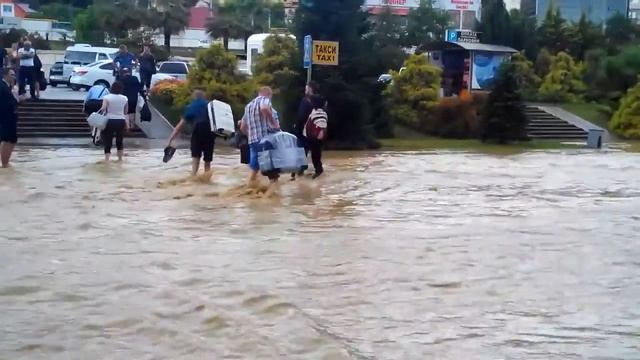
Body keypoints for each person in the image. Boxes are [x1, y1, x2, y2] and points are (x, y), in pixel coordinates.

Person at [166, 89, 215, 176]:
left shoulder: (191, 107)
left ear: (194, 97)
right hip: (210, 133)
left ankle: (193, 178)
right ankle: (207, 180)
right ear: (204, 97)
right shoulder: (210, 105)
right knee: (207, 161)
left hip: (197, 132)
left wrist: (170, 140)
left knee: (196, 159)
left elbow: (179, 127)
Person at [240, 86, 280, 183]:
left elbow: (242, 127)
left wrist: (250, 136)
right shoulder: (264, 99)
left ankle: (249, 186)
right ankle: (273, 192)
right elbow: (265, 108)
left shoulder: (248, 106)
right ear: (269, 94)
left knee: (255, 167)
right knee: (272, 170)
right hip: (264, 140)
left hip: (253, 141)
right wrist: (274, 123)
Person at [291, 81, 319, 180]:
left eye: (306, 88)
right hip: (315, 131)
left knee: (300, 152)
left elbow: (301, 116)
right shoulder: (318, 101)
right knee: (312, 152)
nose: (305, 89)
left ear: (310, 89)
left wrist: (297, 127)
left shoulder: (305, 101)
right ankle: (316, 172)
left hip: (303, 131)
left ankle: (297, 174)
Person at [99, 81, 128, 162]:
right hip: (121, 120)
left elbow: (103, 109)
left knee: (108, 140)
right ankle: (120, 159)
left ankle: (107, 160)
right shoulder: (125, 98)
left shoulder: (107, 97)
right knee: (119, 140)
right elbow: (126, 112)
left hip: (110, 120)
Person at [303, 95, 328, 179]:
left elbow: (322, 125)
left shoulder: (319, 113)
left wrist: (320, 136)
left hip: (315, 139)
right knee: (315, 156)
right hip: (312, 138)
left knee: (315, 156)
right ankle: (317, 172)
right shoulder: (317, 112)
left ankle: (318, 172)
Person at [0, 68, 19, 168]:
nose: (13, 77)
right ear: (5, 75)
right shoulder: (2, 87)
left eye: (14, 75)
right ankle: (4, 163)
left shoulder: (8, 87)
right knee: (6, 139)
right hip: (5, 117)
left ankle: (6, 161)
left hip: (11, 117)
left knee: (12, 139)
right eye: (11, 75)